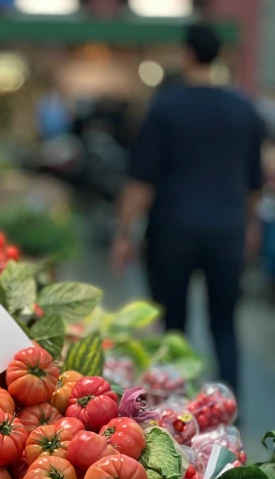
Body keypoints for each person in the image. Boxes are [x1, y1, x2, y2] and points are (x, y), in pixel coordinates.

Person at [111, 24, 265, 394]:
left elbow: (140, 182)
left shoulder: (164, 107)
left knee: (172, 326)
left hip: (171, 230)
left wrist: (123, 234)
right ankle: (232, 408)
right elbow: (254, 182)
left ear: (187, 54)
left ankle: (176, 414)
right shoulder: (244, 110)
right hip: (226, 230)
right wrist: (251, 227)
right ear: (219, 56)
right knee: (225, 324)